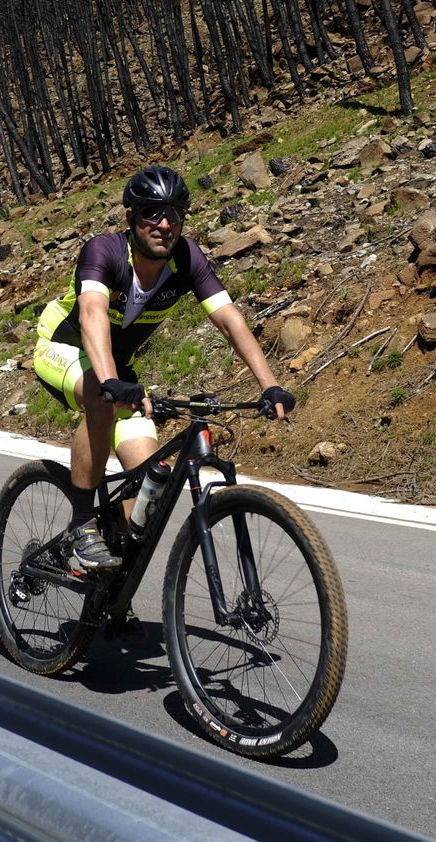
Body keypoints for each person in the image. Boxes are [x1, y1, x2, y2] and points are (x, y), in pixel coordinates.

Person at [34, 164, 296, 573]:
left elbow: (229, 318)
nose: (164, 223)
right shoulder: (103, 252)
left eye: (174, 213)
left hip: (116, 368)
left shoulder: (187, 258)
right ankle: (82, 526)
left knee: (149, 482)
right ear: (131, 218)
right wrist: (108, 382)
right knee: (102, 402)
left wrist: (271, 385)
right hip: (63, 346)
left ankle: (109, 589)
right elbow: (91, 315)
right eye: (152, 212)